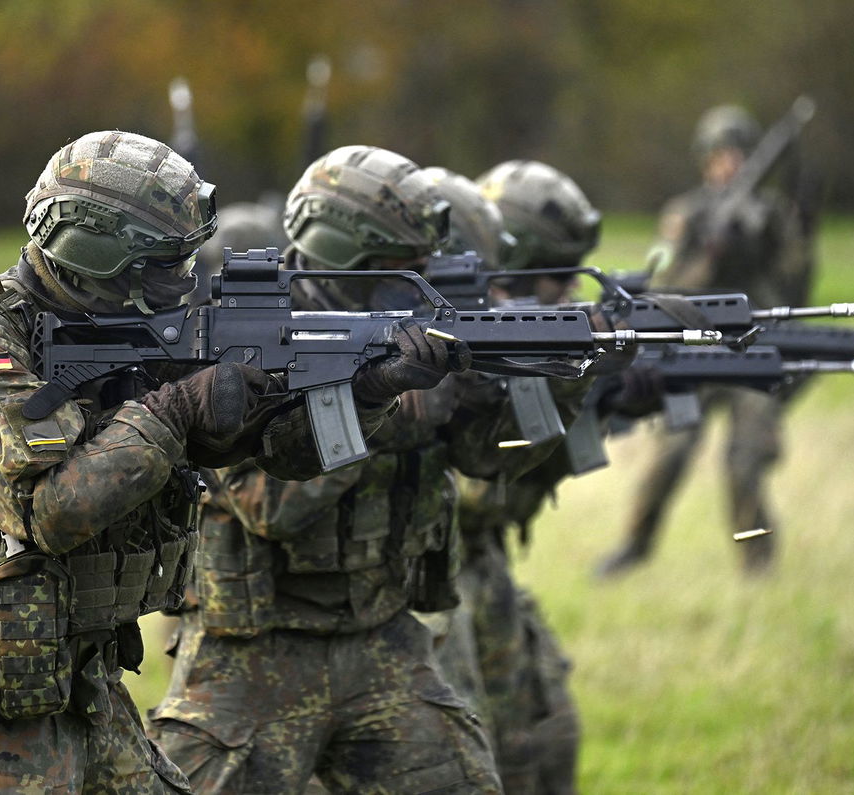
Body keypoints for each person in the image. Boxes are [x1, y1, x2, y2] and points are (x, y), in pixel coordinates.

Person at [0, 131, 442, 792]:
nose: (184, 281)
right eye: (167, 263)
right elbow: (49, 512)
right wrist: (175, 410)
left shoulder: (123, 317)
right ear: (97, 252)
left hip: (79, 664)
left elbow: (279, 453)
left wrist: (368, 391)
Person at [148, 145, 563, 794]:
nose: (424, 273)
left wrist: (550, 382)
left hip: (381, 633)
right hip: (255, 649)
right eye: (405, 263)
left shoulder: (415, 325)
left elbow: (491, 461)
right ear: (348, 253)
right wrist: (383, 401)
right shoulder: (243, 329)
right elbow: (269, 505)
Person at [425, 160, 604, 795]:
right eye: (554, 273)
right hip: (431, 596)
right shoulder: (423, 343)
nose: (564, 290)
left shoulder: (497, 331)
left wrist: (591, 389)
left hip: (478, 578)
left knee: (542, 740)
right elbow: (478, 492)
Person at [597, 104, 812, 576]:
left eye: (738, 154)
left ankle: (757, 562)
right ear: (705, 159)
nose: (729, 164)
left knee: (745, 464)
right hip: (692, 348)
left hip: (754, 349)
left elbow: (797, 275)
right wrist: (708, 256)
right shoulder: (685, 214)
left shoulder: (769, 214)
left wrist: (779, 231)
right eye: (720, 154)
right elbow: (659, 277)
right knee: (670, 456)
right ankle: (636, 545)